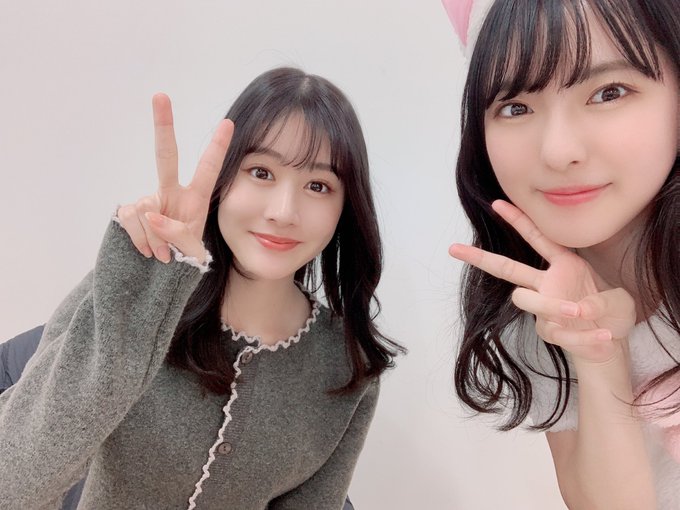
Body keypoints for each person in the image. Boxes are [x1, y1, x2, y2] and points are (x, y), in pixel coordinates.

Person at [0, 67, 401, 509]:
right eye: (261, 172)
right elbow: (12, 486)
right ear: (224, 180)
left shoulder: (350, 365)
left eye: (318, 185)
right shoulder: (132, 289)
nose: (283, 212)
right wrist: (144, 288)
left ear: (346, 207)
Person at [443, 0, 680, 508]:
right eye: (515, 107)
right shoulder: (541, 311)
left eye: (608, 92)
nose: (557, 151)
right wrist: (600, 356)